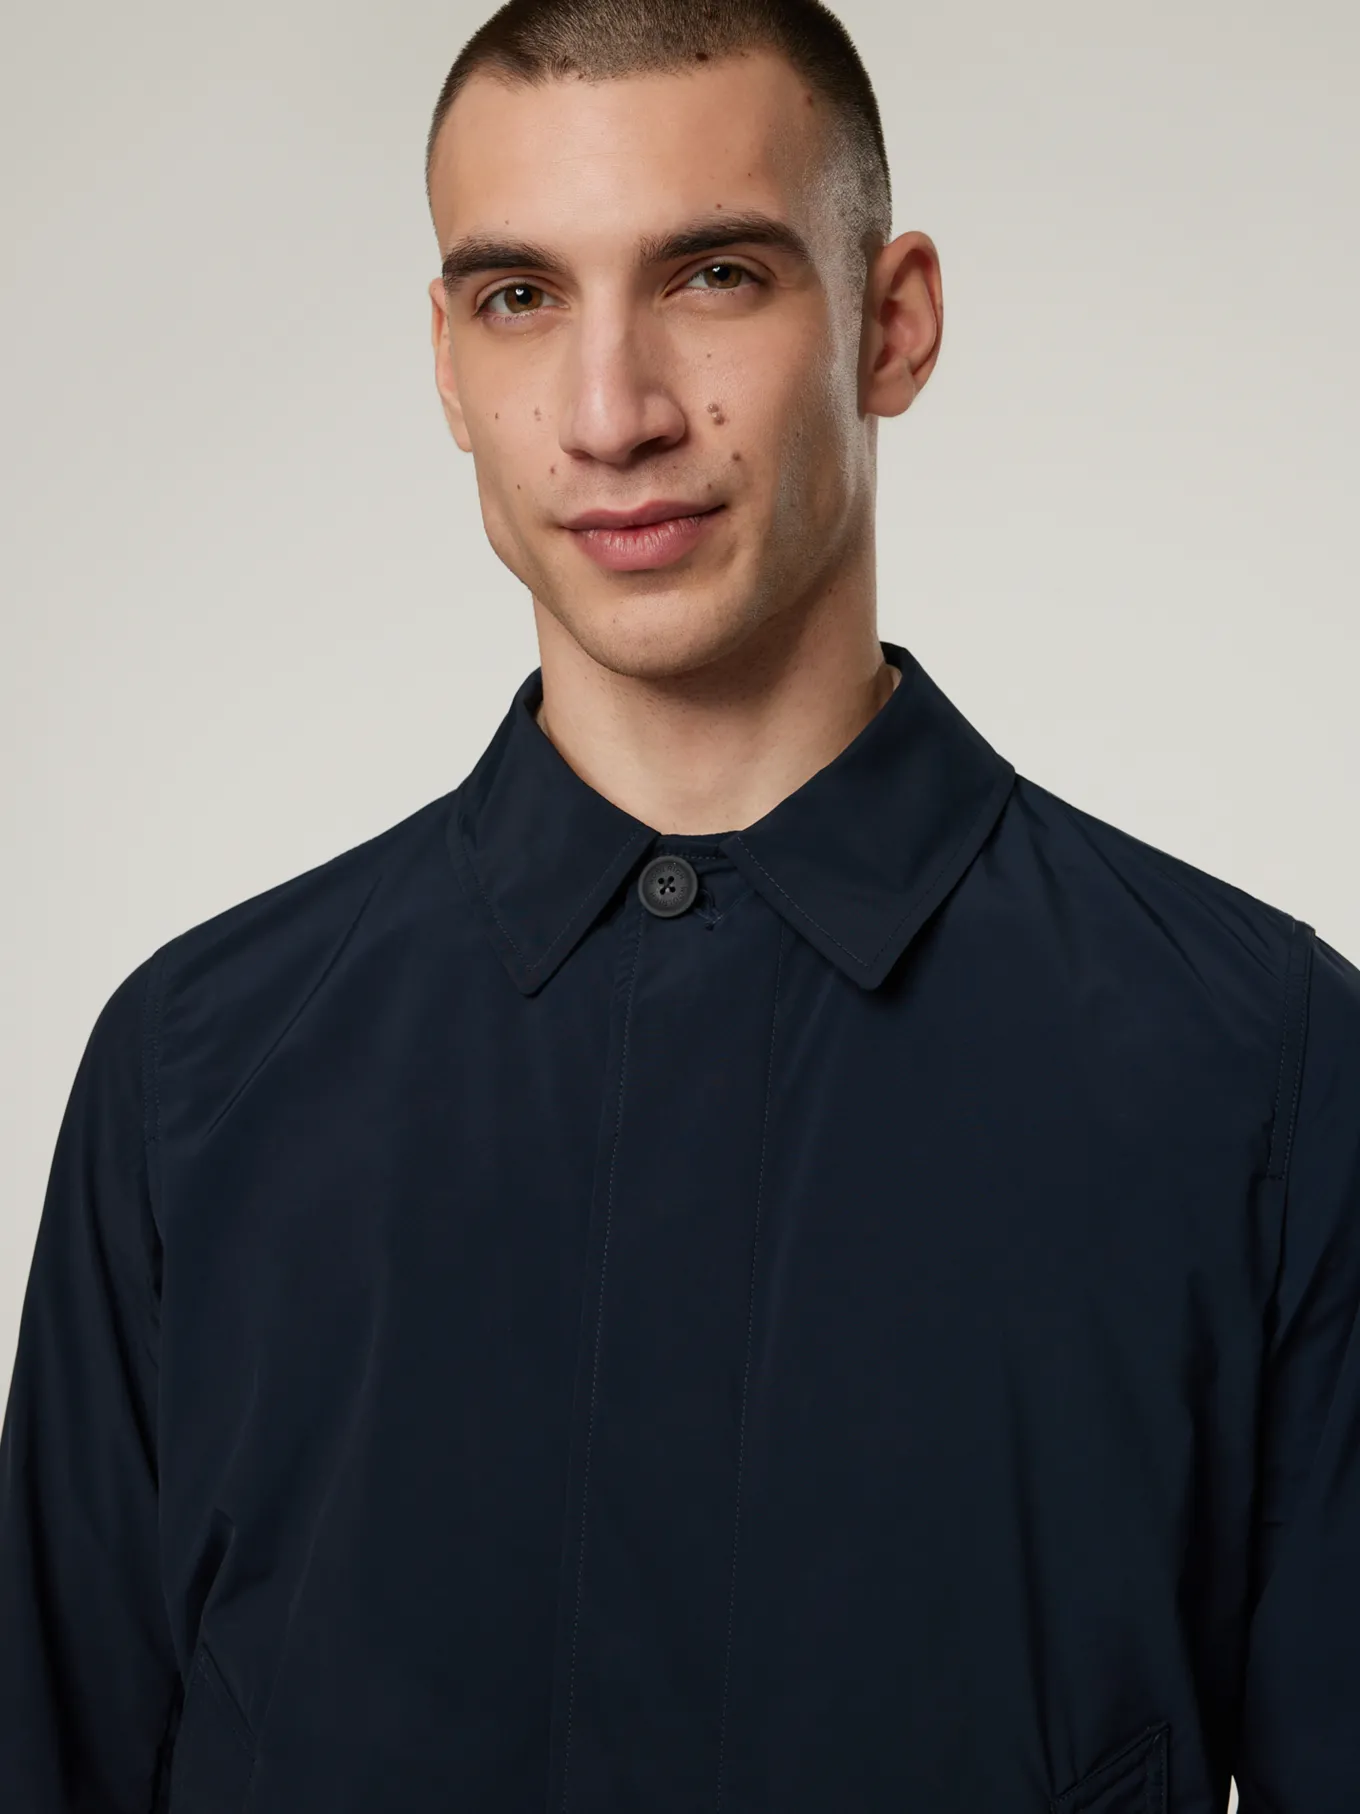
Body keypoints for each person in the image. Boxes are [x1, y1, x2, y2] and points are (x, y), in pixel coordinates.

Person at [1, 1, 1356, 1808]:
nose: (613, 414)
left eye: (714, 276)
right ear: (446, 362)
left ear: (892, 321)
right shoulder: (191, 1080)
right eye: (519, 296)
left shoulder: (1264, 1070)